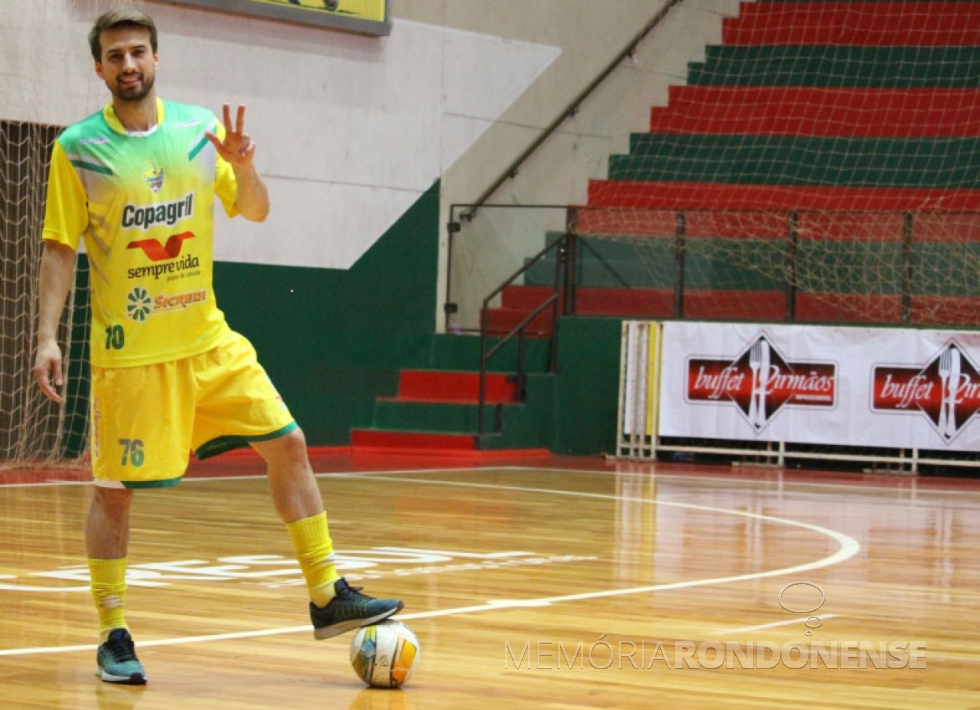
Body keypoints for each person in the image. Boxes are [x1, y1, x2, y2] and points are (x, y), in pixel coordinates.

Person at [32, 8, 402, 686]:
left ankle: (326, 594)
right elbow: (60, 248)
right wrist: (47, 335)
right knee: (115, 495)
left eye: (138, 52)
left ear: (157, 58)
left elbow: (254, 209)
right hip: (132, 360)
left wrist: (245, 167)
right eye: (115, 56)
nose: (129, 65)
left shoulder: (202, 133)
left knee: (288, 442)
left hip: (209, 343)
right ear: (99, 69)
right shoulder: (77, 149)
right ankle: (112, 633)